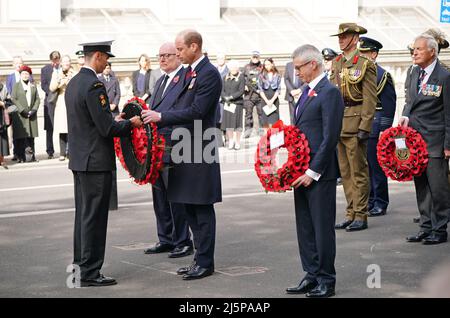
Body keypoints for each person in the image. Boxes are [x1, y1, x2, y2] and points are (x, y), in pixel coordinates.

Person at [142, 29, 222, 280]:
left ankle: (206, 262)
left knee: (201, 207)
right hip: (182, 147)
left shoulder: (208, 74)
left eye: (180, 49)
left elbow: (197, 110)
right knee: (187, 206)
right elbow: (173, 104)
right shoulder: (189, 72)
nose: (177, 54)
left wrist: (161, 117)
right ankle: (198, 258)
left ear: (194, 47)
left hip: (199, 147)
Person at [65, 40, 142, 287]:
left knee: (83, 217)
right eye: (106, 57)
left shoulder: (75, 82)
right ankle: (90, 272)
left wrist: (114, 118)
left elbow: (92, 120)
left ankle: (80, 268)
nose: (107, 62)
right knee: (95, 219)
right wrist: (131, 124)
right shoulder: (95, 84)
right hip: (96, 161)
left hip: (80, 158)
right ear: (97, 56)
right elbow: (106, 128)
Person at [286, 44, 344, 298]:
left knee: (321, 229)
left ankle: (326, 279)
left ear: (313, 64)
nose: (296, 72)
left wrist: (313, 171)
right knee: (305, 228)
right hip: (300, 173)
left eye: (299, 67)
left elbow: (330, 137)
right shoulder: (307, 92)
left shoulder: (328, 92)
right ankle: (311, 274)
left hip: (318, 173)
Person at [142, 42, 193, 258]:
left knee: (176, 195)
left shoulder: (186, 78)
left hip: (175, 144)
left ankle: (183, 241)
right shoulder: (161, 79)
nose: (162, 59)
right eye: (160, 55)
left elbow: (183, 112)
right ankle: (166, 238)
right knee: (159, 194)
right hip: (157, 145)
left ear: (178, 56)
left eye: (167, 55)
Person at [400, 33, 450, 245]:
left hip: (436, 141)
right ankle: (425, 226)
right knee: (421, 186)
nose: (415, 52)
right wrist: (404, 116)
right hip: (415, 141)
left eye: (419, 49)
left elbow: (449, 113)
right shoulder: (413, 72)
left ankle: (439, 230)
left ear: (432, 51)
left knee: (438, 188)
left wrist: (448, 145)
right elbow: (410, 100)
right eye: (414, 49)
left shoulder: (445, 76)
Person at [330, 23, 377, 232]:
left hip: (356, 121)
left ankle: (361, 214)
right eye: (339, 36)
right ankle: (350, 213)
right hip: (340, 123)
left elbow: (369, 98)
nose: (340, 40)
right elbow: (332, 95)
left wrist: (365, 127)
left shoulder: (365, 63)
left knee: (358, 171)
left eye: (345, 36)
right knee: (345, 173)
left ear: (355, 38)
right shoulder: (337, 62)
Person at [359, 37, 397, 217]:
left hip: (375, 124)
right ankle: (371, 200)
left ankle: (381, 201)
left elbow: (389, 104)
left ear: (373, 54)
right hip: (361, 125)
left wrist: (384, 130)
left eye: (364, 53)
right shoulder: (358, 73)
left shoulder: (382, 75)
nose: (361, 56)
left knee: (376, 167)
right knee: (365, 168)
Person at [11, 65, 40, 163]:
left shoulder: (33, 85)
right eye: (23, 74)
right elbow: (13, 98)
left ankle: (32, 156)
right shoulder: (16, 85)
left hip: (31, 115)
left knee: (31, 137)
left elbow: (37, 99)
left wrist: (34, 110)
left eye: (27, 74)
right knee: (21, 137)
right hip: (20, 115)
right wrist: (22, 110)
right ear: (20, 75)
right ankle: (21, 157)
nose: (25, 75)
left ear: (29, 75)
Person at [50, 54, 75, 161]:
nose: (66, 64)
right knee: (62, 128)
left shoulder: (75, 73)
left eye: (67, 61)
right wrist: (61, 82)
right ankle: (62, 153)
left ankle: (71, 152)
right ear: (61, 63)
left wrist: (70, 81)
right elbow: (52, 88)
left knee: (71, 128)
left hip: (72, 101)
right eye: (64, 62)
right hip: (61, 102)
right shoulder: (56, 73)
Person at [221, 59, 245, 150]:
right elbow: (222, 90)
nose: (233, 69)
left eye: (235, 67)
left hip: (237, 103)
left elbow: (241, 90)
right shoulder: (225, 77)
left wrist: (231, 97)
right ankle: (231, 141)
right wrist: (225, 97)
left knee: (237, 124)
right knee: (228, 124)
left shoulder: (241, 77)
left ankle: (237, 142)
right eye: (232, 68)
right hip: (227, 104)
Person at [41, 51, 61, 160]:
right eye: (54, 59)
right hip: (49, 102)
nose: (56, 60)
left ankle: (65, 150)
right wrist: (52, 92)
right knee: (50, 128)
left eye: (57, 58)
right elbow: (43, 85)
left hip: (61, 101)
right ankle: (50, 151)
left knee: (63, 126)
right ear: (50, 59)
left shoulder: (63, 68)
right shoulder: (45, 69)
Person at [243, 51, 263, 138]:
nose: (255, 59)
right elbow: (242, 78)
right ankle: (247, 131)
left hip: (260, 94)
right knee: (248, 114)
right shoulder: (246, 67)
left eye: (256, 57)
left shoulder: (262, 67)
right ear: (251, 57)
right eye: (254, 57)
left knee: (261, 114)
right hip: (249, 95)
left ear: (259, 58)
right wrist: (244, 85)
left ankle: (261, 130)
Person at [257, 58, 282, 131]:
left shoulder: (277, 75)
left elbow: (278, 89)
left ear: (272, 64)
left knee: (275, 121)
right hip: (265, 99)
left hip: (274, 99)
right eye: (265, 65)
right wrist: (267, 101)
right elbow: (260, 89)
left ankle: (275, 139)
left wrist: (272, 100)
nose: (267, 66)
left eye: (268, 64)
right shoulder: (261, 75)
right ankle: (266, 139)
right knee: (266, 121)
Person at [284, 59, 303, 124]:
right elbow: (286, 79)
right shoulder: (288, 65)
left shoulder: (304, 65)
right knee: (292, 117)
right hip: (291, 95)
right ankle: (293, 133)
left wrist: (299, 90)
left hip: (302, 95)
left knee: (302, 116)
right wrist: (291, 91)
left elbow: (308, 80)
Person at [0, 82, 11, 169]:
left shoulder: (3, 87)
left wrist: (4, 103)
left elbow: (9, 100)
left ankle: (2, 159)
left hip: (2, 116)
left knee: (2, 138)